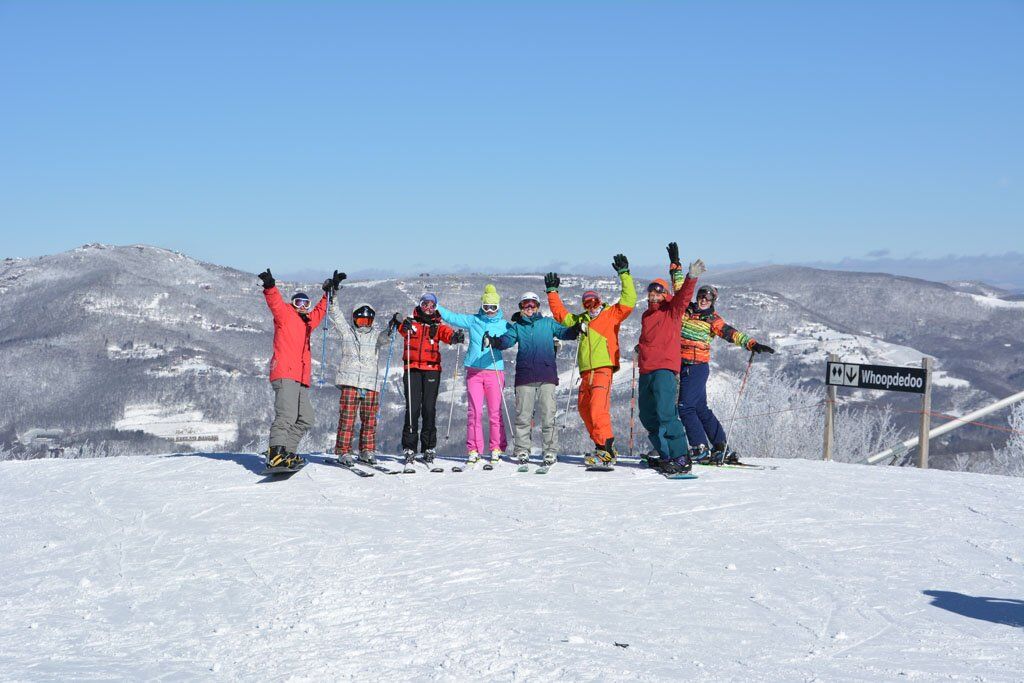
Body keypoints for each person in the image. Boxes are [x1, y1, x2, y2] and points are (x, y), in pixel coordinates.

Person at [545, 254, 636, 465]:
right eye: (587, 304)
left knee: (597, 409)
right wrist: (552, 293)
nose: (591, 307)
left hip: (603, 368)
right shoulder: (581, 320)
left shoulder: (610, 315)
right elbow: (561, 316)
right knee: (584, 409)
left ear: (600, 301)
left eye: (594, 302)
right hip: (586, 371)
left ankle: (607, 448)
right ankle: (600, 446)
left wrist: (624, 274)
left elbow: (628, 300)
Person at [677, 283, 775, 463]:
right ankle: (720, 445)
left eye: (708, 298)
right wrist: (675, 263)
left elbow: (731, 333)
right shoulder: (686, 310)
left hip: (696, 366)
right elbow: (680, 288)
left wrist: (751, 344)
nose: (703, 300)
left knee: (685, 407)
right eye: (701, 296)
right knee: (700, 408)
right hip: (683, 366)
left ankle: (700, 446)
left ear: (713, 301)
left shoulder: (712, 319)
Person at [259, 267, 345, 469]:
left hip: (301, 377)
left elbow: (320, 311)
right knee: (286, 415)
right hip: (285, 373)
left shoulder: (307, 322)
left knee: (306, 418)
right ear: (293, 304)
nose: (303, 306)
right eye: (299, 302)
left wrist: (330, 291)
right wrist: (270, 286)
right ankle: (275, 453)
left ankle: (287, 452)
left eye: (306, 303)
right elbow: (275, 303)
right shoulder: (285, 315)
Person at [487, 292, 577, 467]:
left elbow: (564, 332)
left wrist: (576, 329)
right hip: (525, 376)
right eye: (526, 305)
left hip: (546, 375)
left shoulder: (548, 323)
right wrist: (494, 341)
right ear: (521, 307)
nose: (529, 308)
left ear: (537, 307)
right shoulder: (517, 327)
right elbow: (507, 341)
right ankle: (522, 449)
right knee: (523, 416)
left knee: (548, 416)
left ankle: (550, 451)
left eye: (532, 305)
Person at [635, 243, 702, 474]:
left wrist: (686, 273)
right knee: (647, 416)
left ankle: (681, 456)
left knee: (666, 413)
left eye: (658, 292)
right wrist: (641, 347)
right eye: (650, 292)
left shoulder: (672, 311)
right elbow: (651, 337)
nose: (653, 296)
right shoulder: (646, 315)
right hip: (646, 370)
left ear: (665, 295)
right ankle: (665, 454)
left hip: (664, 369)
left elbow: (683, 296)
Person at [436, 285, 511, 466]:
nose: (490, 311)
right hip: (474, 372)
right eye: (486, 307)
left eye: (493, 307)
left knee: (494, 412)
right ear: (482, 306)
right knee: (474, 412)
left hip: (494, 370)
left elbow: (514, 337)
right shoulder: (473, 320)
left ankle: (496, 448)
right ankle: (474, 449)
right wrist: (437, 306)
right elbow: (453, 318)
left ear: (498, 307)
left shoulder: (504, 324)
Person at [395, 293, 464, 466]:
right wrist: (400, 321)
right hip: (412, 369)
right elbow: (402, 328)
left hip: (432, 369)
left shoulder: (437, 325)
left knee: (428, 408)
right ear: (420, 305)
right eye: (425, 304)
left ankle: (428, 447)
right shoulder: (412, 322)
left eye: (432, 305)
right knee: (412, 408)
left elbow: (447, 334)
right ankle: (409, 446)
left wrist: (455, 337)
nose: (428, 308)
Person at [329, 302, 394, 466]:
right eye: (360, 320)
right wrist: (333, 297)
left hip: (370, 384)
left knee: (370, 420)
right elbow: (337, 317)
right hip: (350, 382)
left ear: (372, 321)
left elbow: (386, 337)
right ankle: (344, 451)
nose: (364, 324)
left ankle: (367, 450)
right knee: (347, 419)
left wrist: (392, 326)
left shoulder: (375, 336)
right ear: (354, 319)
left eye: (367, 321)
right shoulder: (347, 333)